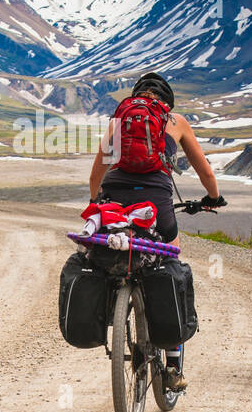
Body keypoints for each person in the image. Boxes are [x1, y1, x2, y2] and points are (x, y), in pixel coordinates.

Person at [87, 72, 224, 391]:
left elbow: (97, 171)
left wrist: (95, 200)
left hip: (115, 196)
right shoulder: (175, 121)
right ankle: (174, 366)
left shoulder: (118, 120)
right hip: (157, 201)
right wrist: (213, 197)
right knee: (170, 264)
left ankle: (112, 309)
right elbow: (204, 170)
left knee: (107, 254)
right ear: (166, 101)